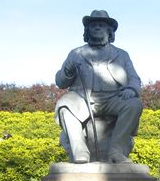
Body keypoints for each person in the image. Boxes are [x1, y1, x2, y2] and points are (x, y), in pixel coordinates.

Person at [55, 10, 143, 164]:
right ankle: (80, 152)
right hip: (83, 98)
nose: (97, 27)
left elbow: (134, 78)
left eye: (101, 25)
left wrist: (131, 89)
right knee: (64, 105)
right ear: (87, 30)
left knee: (134, 104)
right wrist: (67, 71)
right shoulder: (76, 53)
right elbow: (61, 82)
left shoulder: (121, 55)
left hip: (113, 98)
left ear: (109, 31)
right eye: (93, 25)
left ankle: (116, 151)